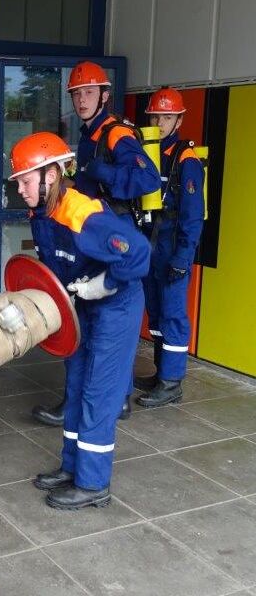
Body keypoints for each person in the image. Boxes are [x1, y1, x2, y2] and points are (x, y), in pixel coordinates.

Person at [10, 132, 150, 509]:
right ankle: (72, 468)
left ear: (50, 176)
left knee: (98, 394)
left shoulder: (83, 213)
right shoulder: (43, 213)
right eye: (19, 182)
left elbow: (138, 254)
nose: (20, 189)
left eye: (25, 181)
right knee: (76, 386)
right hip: (81, 307)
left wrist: (105, 284)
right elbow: (52, 272)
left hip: (115, 307)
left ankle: (92, 484)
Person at [31, 61, 160, 428]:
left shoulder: (115, 132)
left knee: (105, 327)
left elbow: (147, 178)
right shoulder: (89, 134)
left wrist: (98, 172)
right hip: (91, 239)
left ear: (104, 95)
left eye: (88, 92)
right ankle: (97, 400)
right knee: (88, 328)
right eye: (75, 93)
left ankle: (106, 399)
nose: (81, 99)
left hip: (111, 235)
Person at [135, 87, 204, 407]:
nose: (160, 122)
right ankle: (162, 373)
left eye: (167, 116)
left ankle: (172, 382)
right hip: (150, 245)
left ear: (179, 120)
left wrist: (183, 257)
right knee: (158, 314)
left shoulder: (186, 160)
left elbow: (192, 217)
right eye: (156, 116)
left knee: (174, 315)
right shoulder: (147, 153)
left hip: (173, 246)